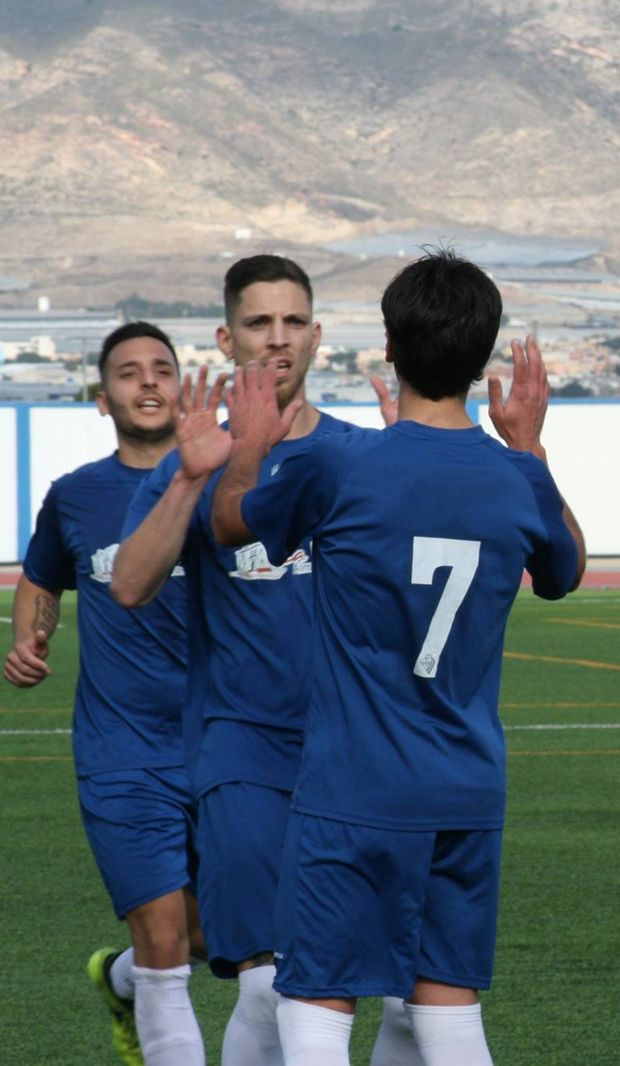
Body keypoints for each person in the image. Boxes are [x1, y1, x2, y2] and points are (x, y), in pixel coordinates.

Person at [207, 249, 585, 1065]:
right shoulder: (516, 479)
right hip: (466, 784)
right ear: (481, 354)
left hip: (354, 782)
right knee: (447, 1004)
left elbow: (231, 522)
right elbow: (566, 572)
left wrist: (250, 445)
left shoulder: (338, 463)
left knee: (316, 1002)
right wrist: (531, 448)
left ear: (389, 342)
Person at [111, 255, 373, 1066]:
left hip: (353, 754)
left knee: (348, 986)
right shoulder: (192, 460)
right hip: (244, 748)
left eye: (294, 322)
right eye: (259, 323)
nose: (278, 339)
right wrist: (190, 482)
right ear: (227, 338)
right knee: (268, 982)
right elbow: (128, 584)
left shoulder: (360, 455)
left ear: (318, 336)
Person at [6, 323, 206, 1066]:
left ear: (183, 388)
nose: (148, 382)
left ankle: (118, 983)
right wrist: (31, 638)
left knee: (221, 937)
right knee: (163, 942)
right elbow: (40, 577)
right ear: (102, 399)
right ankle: (141, 981)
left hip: (226, 743)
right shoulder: (78, 496)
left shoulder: (225, 485)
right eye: (128, 373)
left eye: (162, 369)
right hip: (123, 750)